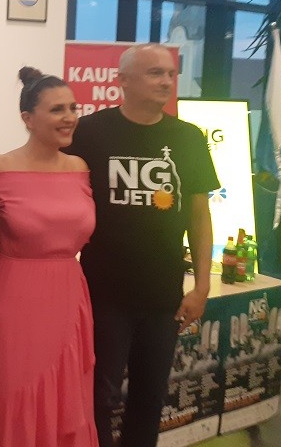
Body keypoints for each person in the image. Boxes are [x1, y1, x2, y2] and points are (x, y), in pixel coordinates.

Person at [66, 44, 219, 447]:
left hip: (163, 297)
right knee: (98, 397)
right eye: (155, 73)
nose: (166, 81)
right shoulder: (90, 131)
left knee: (150, 400)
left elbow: (199, 217)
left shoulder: (188, 137)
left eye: (170, 74)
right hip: (103, 294)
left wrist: (201, 287)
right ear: (123, 81)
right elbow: (45, 168)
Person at [0, 67, 98, 447]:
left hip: (68, 296)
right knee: (14, 394)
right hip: (12, 302)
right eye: (57, 109)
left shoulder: (79, 168)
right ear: (28, 119)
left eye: (73, 108)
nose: (69, 117)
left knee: (67, 398)